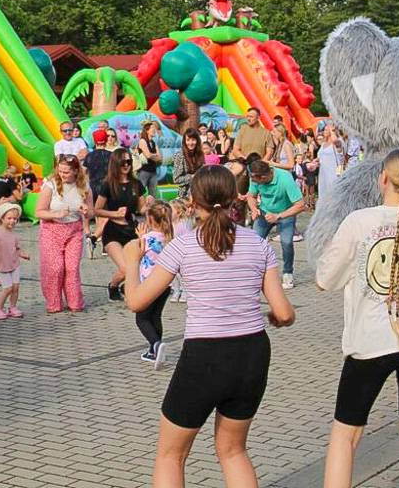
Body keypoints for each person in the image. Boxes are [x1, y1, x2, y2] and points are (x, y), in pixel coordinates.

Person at [122, 165, 295, 487]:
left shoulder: (182, 246)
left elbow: (136, 301)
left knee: (170, 455)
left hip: (205, 355)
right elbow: (284, 313)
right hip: (252, 353)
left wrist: (132, 261)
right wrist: (273, 317)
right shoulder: (258, 245)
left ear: (193, 202)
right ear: (233, 198)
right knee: (233, 451)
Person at [316, 149, 399, 488]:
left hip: (371, 341)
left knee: (345, 437)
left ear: (382, 178)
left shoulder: (359, 222)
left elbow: (323, 280)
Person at [35, 154, 93, 313]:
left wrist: (86, 211)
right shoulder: (50, 185)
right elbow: (39, 212)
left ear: (75, 171)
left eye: (66, 172)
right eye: (60, 171)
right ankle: (54, 303)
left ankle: (75, 302)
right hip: (51, 229)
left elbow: (91, 212)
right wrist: (56, 214)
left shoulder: (84, 186)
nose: (62, 175)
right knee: (56, 268)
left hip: (74, 230)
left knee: (72, 268)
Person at [95, 149, 147, 301]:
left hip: (131, 229)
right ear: (115, 164)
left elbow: (141, 208)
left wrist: (150, 206)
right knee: (126, 268)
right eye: (122, 162)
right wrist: (114, 214)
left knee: (135, 265)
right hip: (113, 231)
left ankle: (126, 287)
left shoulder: (136, 184)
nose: (126, 165)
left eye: (129, 162)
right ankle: (113, 285)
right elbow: (96, 210)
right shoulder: (108, 185)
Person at [246, 160, 305, 289]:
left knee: (286, 242)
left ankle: (288, 273)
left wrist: (278, 216)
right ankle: (257, 273)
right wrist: (254, 208)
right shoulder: (255, 177)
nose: (253, 181)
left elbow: (300, 205)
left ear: (264, 177)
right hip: (264, 213)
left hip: (285, 214)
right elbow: (251, 196)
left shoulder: (285, 179)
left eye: (256, 180)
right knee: (255, 242)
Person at [134, 201, 174, 369]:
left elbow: (136, 254)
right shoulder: (170, 238)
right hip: (165, 285)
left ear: (150, 220)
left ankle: (156, 344)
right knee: (155, 316)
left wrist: (140, 237)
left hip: (149, 284)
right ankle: (153, 349)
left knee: (142, 318)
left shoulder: (146, 238)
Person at [0, 203, 29, 320]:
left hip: (14, 264)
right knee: (7, 288)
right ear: (1, 218)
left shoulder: (14, 234)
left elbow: (17, 248)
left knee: (16, 287)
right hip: (2, 265)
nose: (12, 221)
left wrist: (23, 254)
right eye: (9, 218)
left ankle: (12, 307)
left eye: (15, 219)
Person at [172, 128, 204, 200]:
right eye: (188, 140)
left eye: (193, 140)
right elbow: (176, 179)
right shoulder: (180, 155)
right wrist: (192, 177)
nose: (191, 143)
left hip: (200, 192)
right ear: (184, 141)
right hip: (185, 195)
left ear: (197, 141)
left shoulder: (200, 154)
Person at [137, 121, 163, 200]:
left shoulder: (153, 142)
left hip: (153, 171)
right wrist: (154, 155)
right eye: (152, 128)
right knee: (140, 193)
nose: (154, 130)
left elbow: (160, 158)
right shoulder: (142, 141)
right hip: (144, 171)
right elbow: (148, 155)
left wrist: (152, 156)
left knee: (153, 194)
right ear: (147, 130)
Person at [317, 123, 344, 199]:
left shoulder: (338, 142)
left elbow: (335, 141)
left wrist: (332, 129)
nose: (324, 131)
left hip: (334, 174)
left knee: (333, 196)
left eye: (326, 129)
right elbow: (320, 158)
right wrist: (314, 163)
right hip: (323, 174)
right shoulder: (323, 144)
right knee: (323, 196)